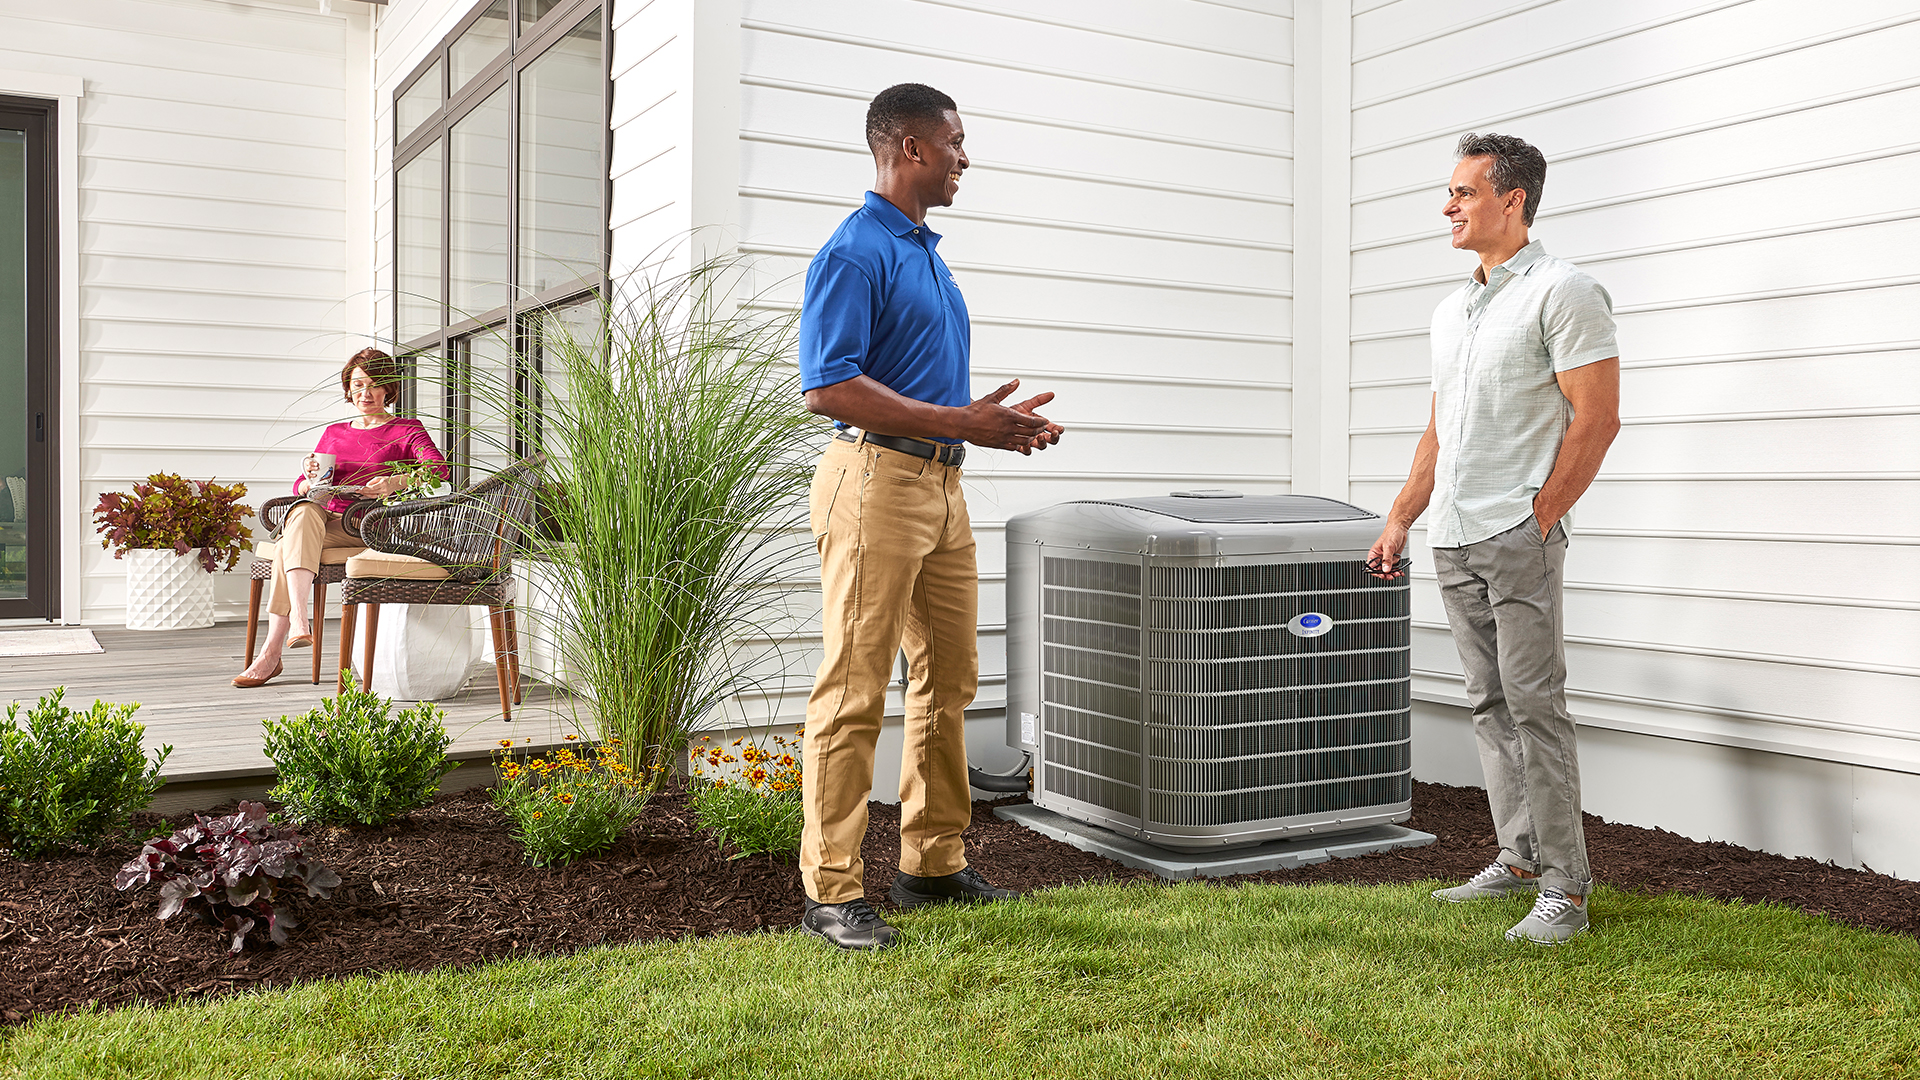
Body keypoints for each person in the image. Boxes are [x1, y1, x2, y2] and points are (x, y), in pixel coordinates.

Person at [796, 83, 1064, 950]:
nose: (963, 156)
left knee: (949, 678)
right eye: (954, 140)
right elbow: (827, 386)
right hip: (872, 484)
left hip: (940, 489)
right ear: (909, 147)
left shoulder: (927, 254)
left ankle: (932, 864)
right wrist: (962, 423)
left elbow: (924, 390)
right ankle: (832, 889)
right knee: (854, 687)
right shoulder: (855, 251)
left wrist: (997, 428)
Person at [1368, 133, 1621, 944]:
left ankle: (1566, 890)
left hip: (1517, 535)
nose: (1448, 206)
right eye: (1449, 193)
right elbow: (1440, 429)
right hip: (1455, 533)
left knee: (1535, 706)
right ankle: (1516, 858)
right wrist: (1404, 513)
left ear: (1511, 200)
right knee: (1489, 704)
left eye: (1463, 192)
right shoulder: (1453, 309)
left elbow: (1599, 418)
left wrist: (1539, 515)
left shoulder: (1565, 291)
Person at [232, 348, 450, 688]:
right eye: (358, 384)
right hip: (327, 520)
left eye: (375, 384)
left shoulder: (407, 429)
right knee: (303, 511)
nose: (366, 393)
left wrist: (394, 482)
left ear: (388, 389)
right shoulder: (335, 432)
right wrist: (307, 479)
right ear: (348, 388)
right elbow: (306, 486)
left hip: (371, 526)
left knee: (288, 542)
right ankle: (300, 623)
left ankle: (272, 651)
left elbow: (438, 469)